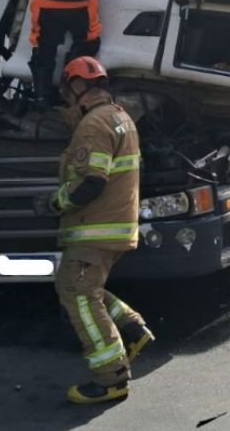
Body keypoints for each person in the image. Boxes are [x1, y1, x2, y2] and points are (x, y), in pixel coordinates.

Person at [33, 56, 153, 404]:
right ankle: (132, 329)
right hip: (115, 225)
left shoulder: (93, 124)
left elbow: (92, 183)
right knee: (83, 286)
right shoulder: (121, 117)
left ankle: (111, 377)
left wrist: (54, 203)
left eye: (67, 92)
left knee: (78, 292)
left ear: (77, 86)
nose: (66, 100)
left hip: (94, 228)